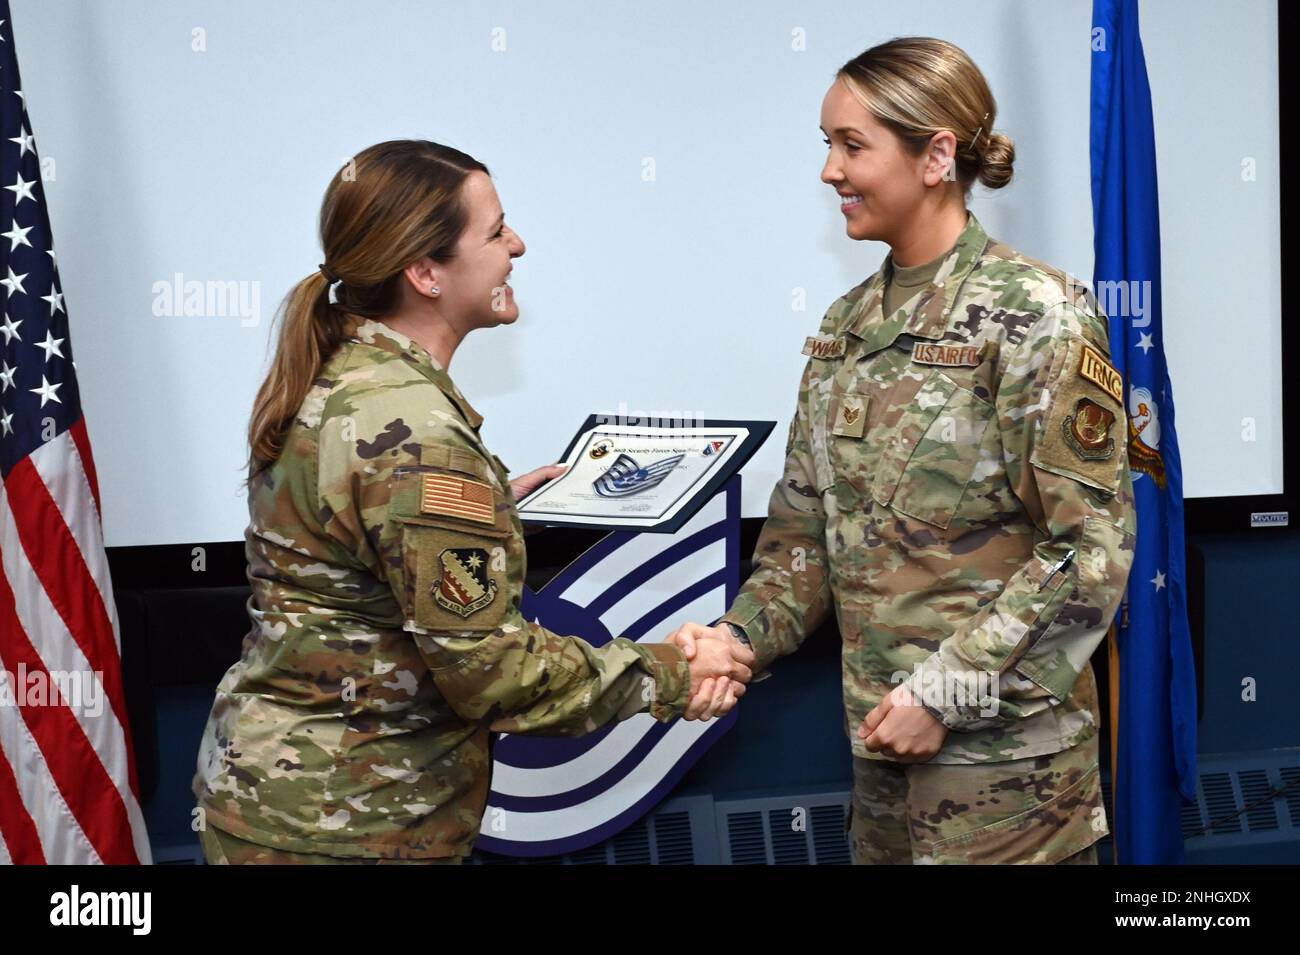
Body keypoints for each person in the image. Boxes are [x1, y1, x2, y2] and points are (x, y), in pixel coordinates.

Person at [192, 140, 754, 864]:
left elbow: (353, 553)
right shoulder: (417, 436)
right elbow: (495, 676)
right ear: (425, 272)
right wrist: (675, 674)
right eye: (495, 232)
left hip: (279, 801)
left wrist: (483, 512)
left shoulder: (345, 377)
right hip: (350, 829)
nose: (517, 245)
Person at [668, 37, 1137, 864]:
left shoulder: (1036, 315)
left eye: (853, 146)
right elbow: (803, 536)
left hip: (1009, 784)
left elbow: (1089, 551)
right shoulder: (845, 328)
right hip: (882, 759)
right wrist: (738, 637)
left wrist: (947, 693)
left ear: (937, 156)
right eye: (828, 146)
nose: (830, 172)